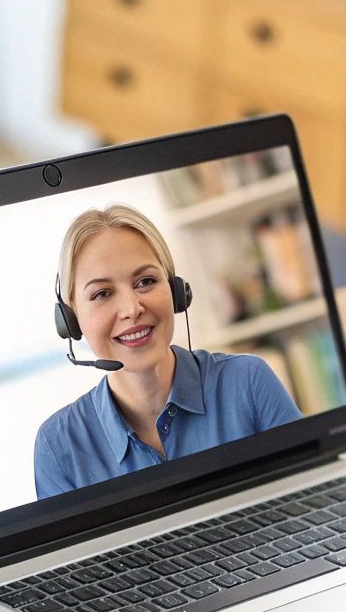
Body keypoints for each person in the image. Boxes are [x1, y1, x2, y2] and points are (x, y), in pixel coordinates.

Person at [34, 204, 302, 499]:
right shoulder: (58, 448)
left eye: (146, 282)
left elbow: (310, 504)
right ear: (71, 320)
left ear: (176, 292)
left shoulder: (247, 382)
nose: (132, 309)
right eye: (102, 294)